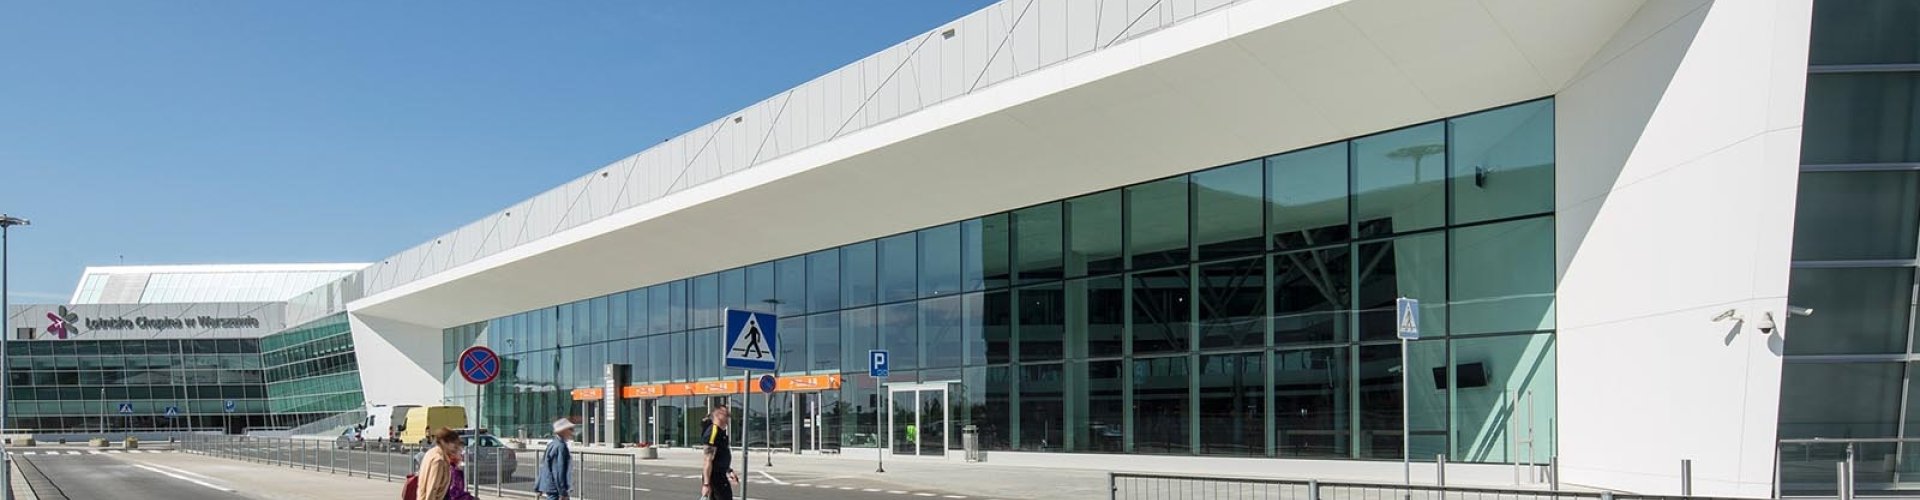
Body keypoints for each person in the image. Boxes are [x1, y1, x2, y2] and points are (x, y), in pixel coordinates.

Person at [412, 428, 475, 500]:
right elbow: (433, 488)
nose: (454, 447)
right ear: (443, 442)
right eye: (453, 443)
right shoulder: (439, 460)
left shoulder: (432, 453)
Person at [702, 405, 740, 500]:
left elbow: (719, 456)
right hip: (715, 478)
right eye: (726, 415)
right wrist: (706, 484)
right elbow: (708, 459)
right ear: (718, 415)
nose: (728, 418)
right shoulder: (713, 432)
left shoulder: (720, 432)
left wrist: (728, 470)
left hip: (720, 475)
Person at [535, 418, 575, 500]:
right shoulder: (561, 447)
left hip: (551, 487)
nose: (572, 432)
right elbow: (558, 471)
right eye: (570, 429)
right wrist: (563, 492)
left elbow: (544, 466)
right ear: (563, 431)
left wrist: (538, 486)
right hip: (555, 490)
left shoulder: (552, 444)